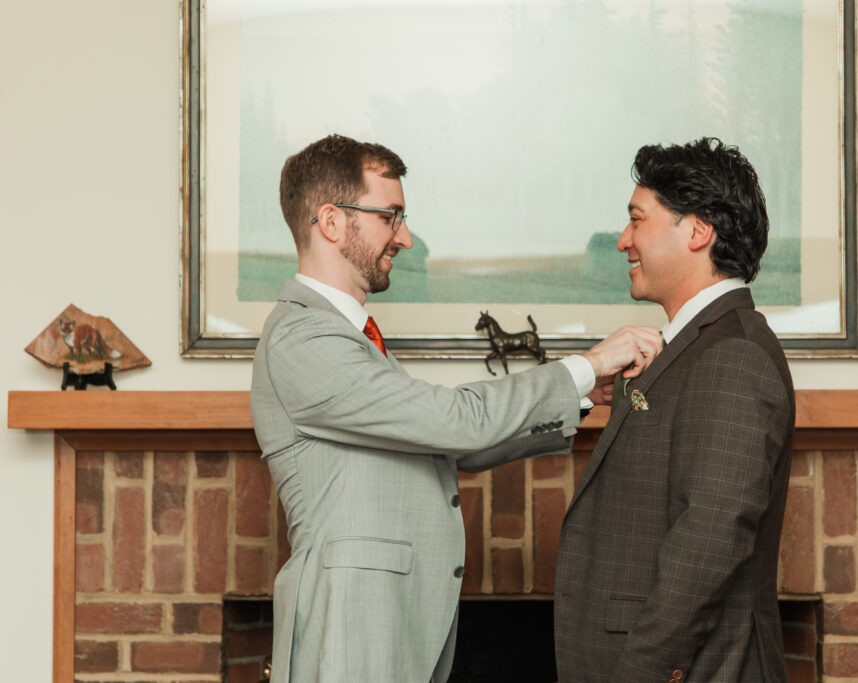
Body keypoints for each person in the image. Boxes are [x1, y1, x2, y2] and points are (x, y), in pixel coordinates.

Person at [249, 134, 662, 683]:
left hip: (388, 622)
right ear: (331, 221)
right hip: (351, 627)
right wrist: (585, 363)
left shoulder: (345, 337)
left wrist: (585, 394)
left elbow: (445, 442)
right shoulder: (303, 337)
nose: (406, 237)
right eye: (390, 216)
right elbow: (452, 420)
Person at [554, 137, 796, 682]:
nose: (622, 241)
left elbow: (711, 535)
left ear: (697, 230)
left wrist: (642, 669)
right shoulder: (692, 347)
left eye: (637, 220)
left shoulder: (732, 353)